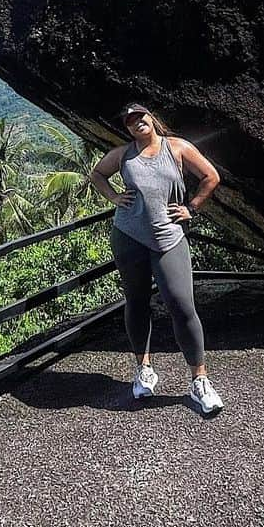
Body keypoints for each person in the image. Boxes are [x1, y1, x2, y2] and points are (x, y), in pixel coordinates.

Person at [87, 101, 223, 415]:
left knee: (181, 305)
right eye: (130, 121)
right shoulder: (123, 154)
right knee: (136, 301)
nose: (136, 123)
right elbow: (97, 174)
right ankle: (143, 369)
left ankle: (199, 380)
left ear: (152, 118)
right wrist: (114, 197)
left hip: (169, 238)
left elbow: (211, 176)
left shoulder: (177, 148)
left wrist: (192, 207)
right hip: (129, 236)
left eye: (140, 117)